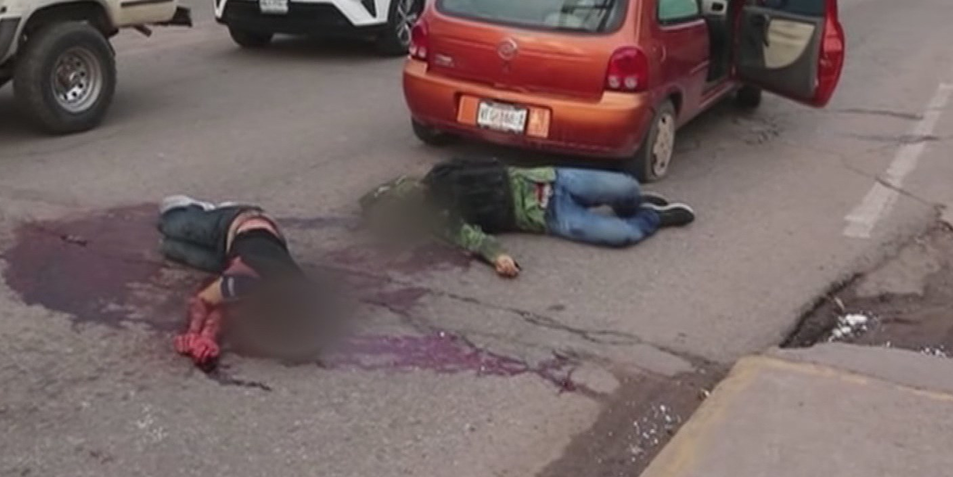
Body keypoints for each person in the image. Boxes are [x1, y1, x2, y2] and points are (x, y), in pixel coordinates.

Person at [358, 158, 697, 279]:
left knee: (627, 186)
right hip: (549, 216)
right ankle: (652, 218)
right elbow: (473, 239)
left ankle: (632, 202)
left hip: (552, 178)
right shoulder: (442, 219)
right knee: (621, 236)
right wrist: (499, 258)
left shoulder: (442, 172)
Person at [157, 196, 323, 370]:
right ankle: (211, 209)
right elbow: (204, 299)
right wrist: (193, 333)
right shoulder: (247, 280)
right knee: (168, 223)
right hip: (240, 223)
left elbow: (228, 310)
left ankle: (216, 229)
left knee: (168, 248)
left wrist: (208, 339)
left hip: (235, 253)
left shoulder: (291, 295)